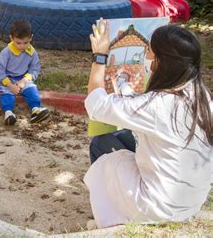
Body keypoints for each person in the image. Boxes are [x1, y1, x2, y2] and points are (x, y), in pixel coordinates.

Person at [84, 20, 212, 228]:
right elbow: (145, 106)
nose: (146, 57)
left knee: (102, 147)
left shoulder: (156, 106)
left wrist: (100, 56)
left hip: (160, 206)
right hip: (191, 202)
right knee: (116, 139)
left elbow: (96, 104)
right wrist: (124, 85)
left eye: (149, 52)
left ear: (161, 62)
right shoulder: (203, 97)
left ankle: (113, 218)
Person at [0, 19, 50, 125]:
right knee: (6, 92)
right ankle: (8, 113)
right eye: (18, 43)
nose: (22, 46)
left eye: (26, 42)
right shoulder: (6, 52)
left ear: (31, 38)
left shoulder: (32, 52)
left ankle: (35, 109)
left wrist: (24, 80)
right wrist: (9, 85)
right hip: (5, 76)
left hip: (21, 77)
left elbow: (34, 69)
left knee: (31, 88)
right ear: (11, 38)